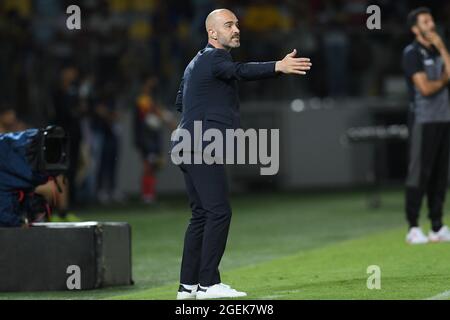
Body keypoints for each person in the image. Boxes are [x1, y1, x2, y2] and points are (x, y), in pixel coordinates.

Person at [171, 8, 312, 299]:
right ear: (212, 32)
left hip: (186, 144)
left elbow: (179, 102)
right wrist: (277, 66)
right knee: (218, 212)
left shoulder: (194, 62)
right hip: (201, 146)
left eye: (237, 24)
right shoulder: (216, 58)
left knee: (200, 216)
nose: (236, 29)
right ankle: (209, 284)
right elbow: (239, 71)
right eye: (228, 25)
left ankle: (187, 287)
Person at [403, 7, 450, 244]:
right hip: (423, 120)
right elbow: (425, 88)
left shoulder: (438, 50)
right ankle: (413, 227)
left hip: (443, 118)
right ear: (415, 28)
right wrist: (444, 79)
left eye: (431, 19)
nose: (431, 24)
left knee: (440, 176)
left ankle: (437, 226)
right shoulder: (412, 53)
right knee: (419, 175)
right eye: (425, 21)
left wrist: (442, 47)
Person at [134, 75, 176, 203]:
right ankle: (146, 195)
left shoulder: (152, 98)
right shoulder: (142, 99)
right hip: (145, 137)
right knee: (148, 165)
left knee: (154, 165)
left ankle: (149, 194)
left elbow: (156, 110)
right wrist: (168, 120)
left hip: (153, 136)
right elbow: (152, 111)